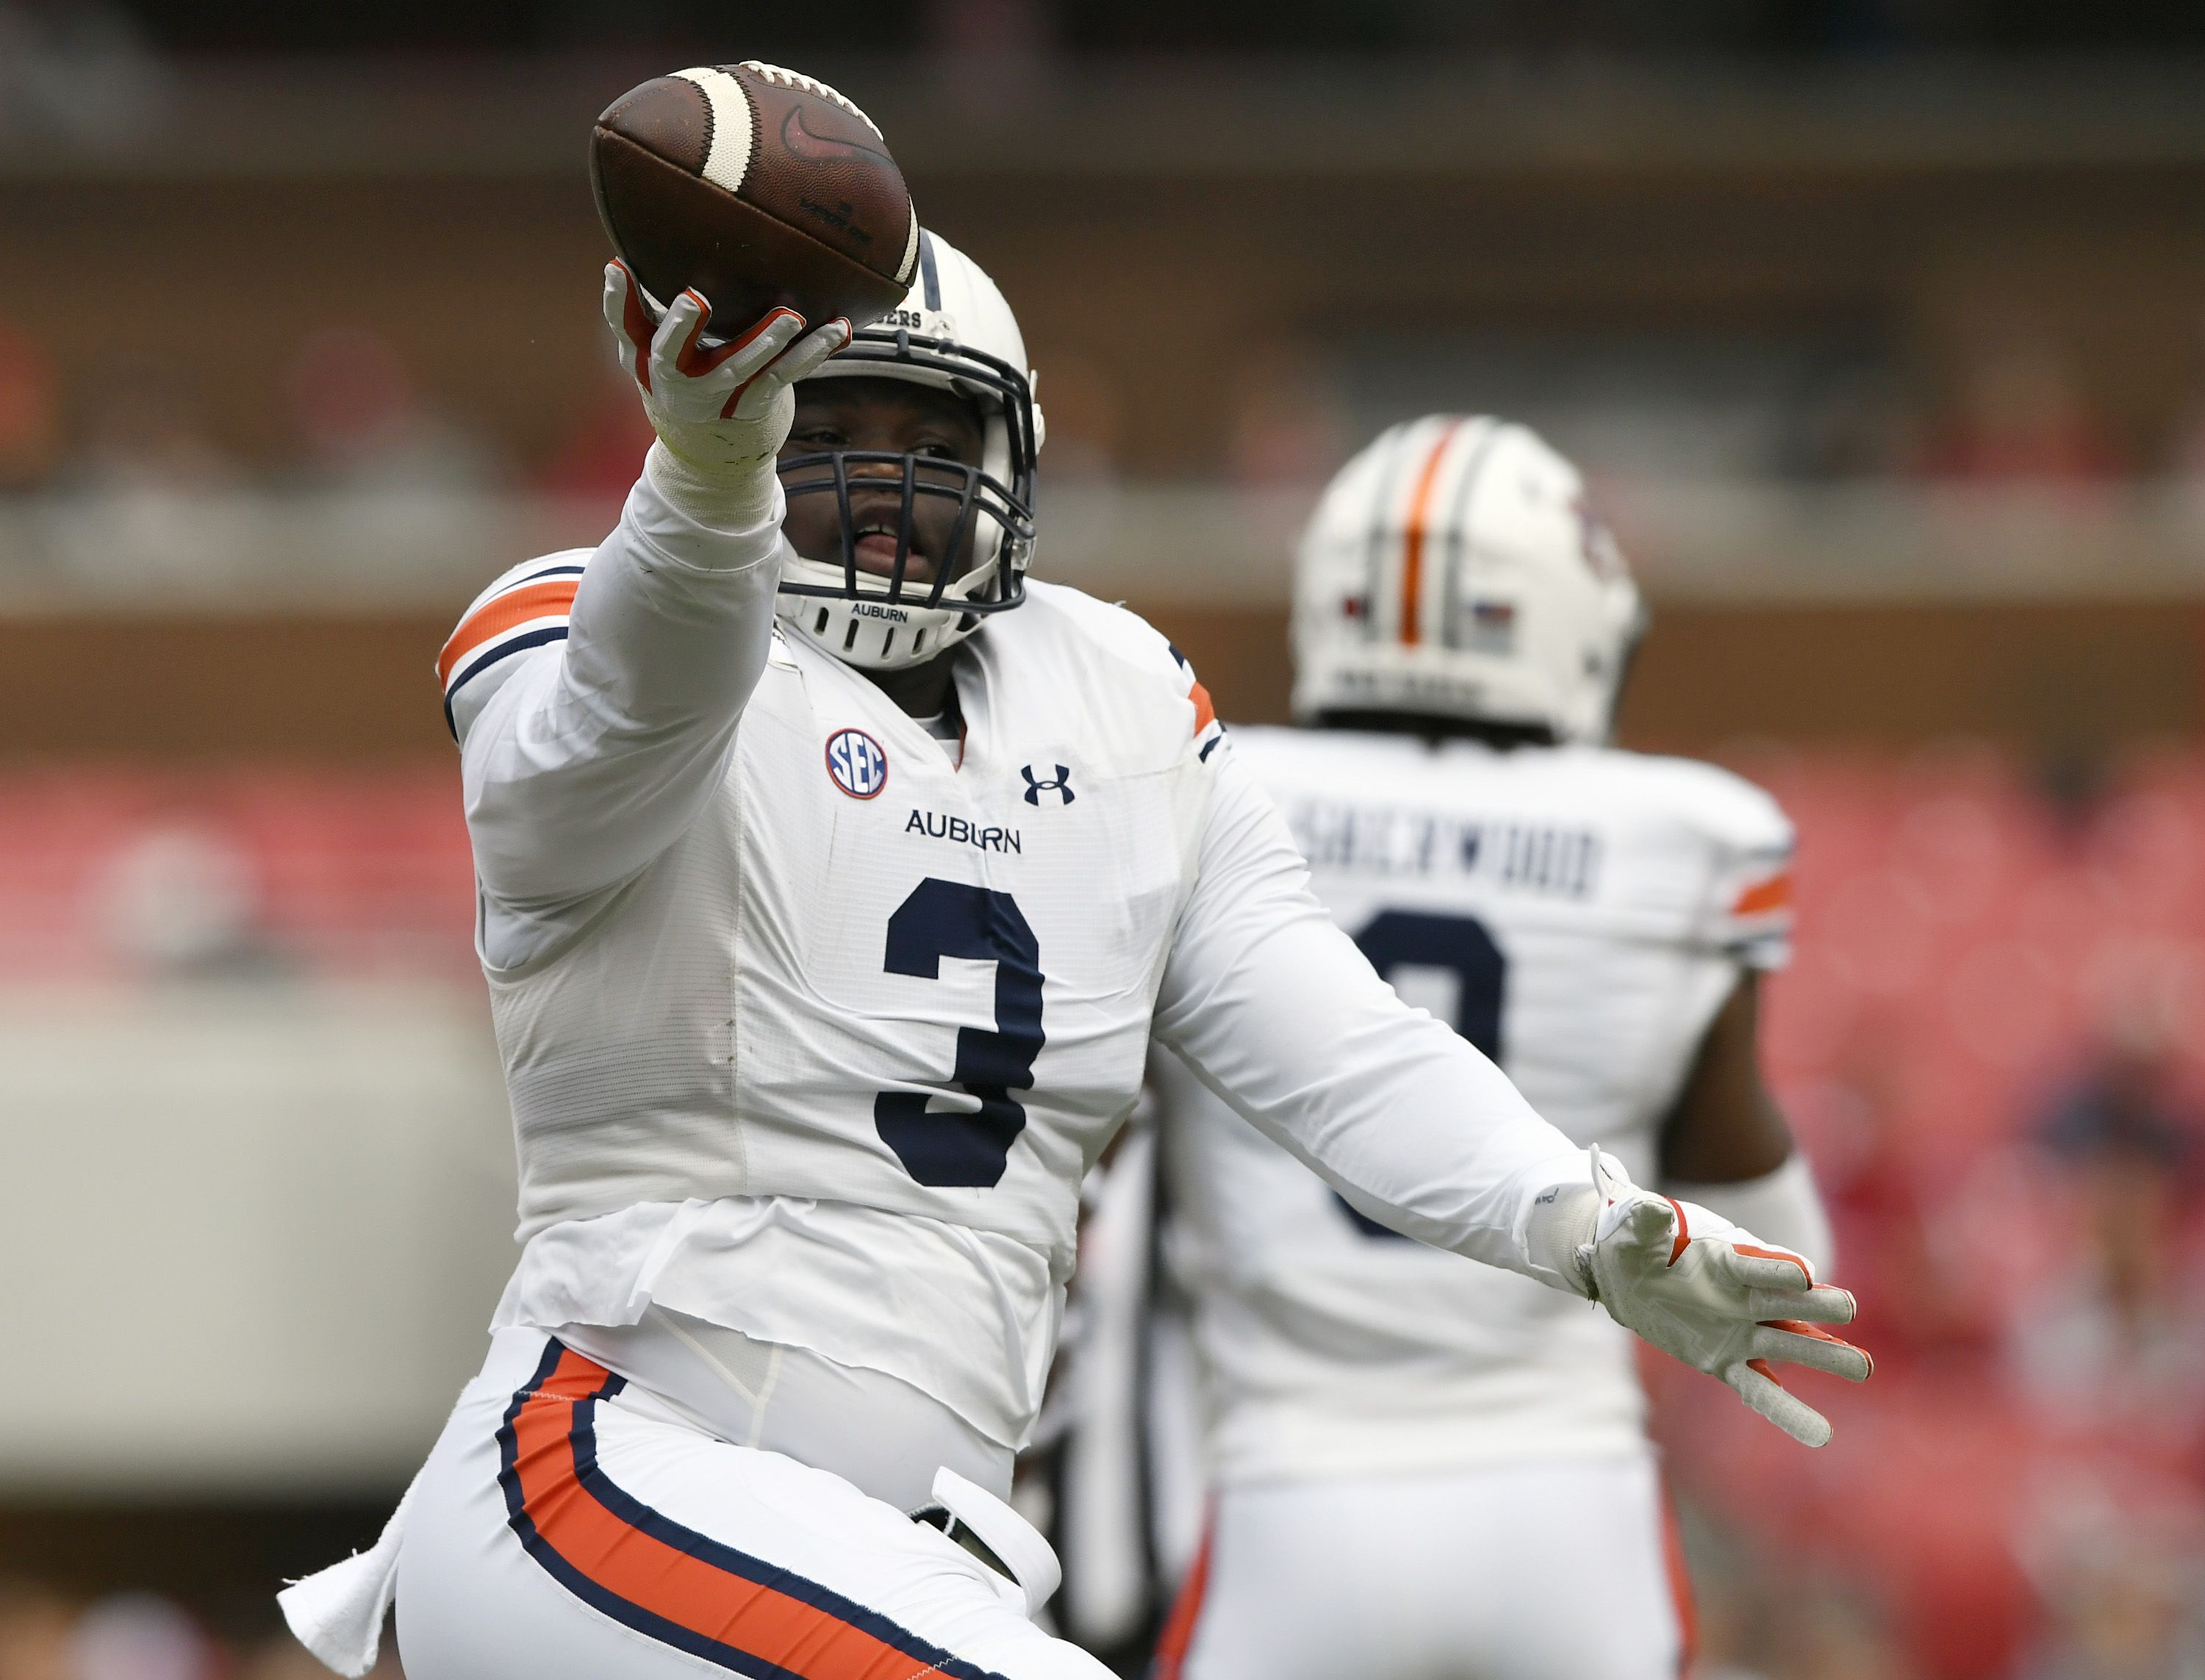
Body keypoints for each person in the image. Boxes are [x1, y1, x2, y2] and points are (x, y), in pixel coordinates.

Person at [276, 219, 1866, 1680]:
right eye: (829, 429)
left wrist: (1580, 1218)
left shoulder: (1115, 699)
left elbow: (1335, 1042)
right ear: (743, 427)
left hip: (907, 1545)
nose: (887, 481)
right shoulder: (594, 630)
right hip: (625, 1460)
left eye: (934, 434)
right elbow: (616, 723)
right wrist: (700, 485)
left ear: (1016, 451)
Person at [1141, 417, 1846, 1680]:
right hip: (1565, 1502)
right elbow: (1771, 1225)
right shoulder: (1685, 835)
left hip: (1291, 1492)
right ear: (1571, 624)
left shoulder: (1213, 788)